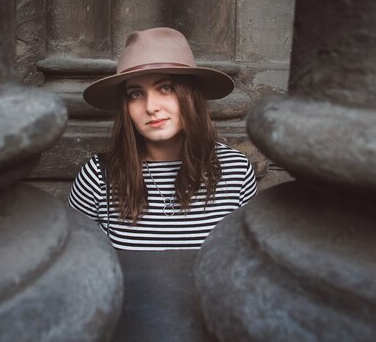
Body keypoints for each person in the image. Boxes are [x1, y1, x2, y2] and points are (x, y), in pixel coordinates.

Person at [69, 27, 257, 250]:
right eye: (136, 94)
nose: (151, 108)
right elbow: (75, 262)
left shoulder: (236, 170)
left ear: (190, 96)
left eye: (166, 88)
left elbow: (248, 263)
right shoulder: (99, 176)